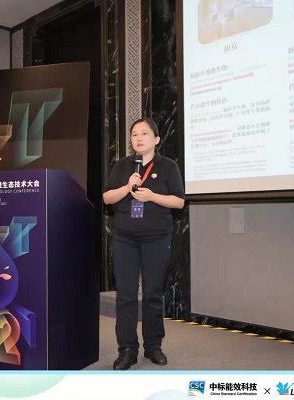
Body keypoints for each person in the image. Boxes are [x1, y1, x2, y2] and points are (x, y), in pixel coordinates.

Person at [103, 117, 185, 370]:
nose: (138, 138)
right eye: (134, 134)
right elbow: (107, 197)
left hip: (156, 237)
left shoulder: (168, 166)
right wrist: (127, 187)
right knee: (126, 295)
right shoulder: (122, 166)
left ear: (156, 139)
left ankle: (153, 346)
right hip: (124, 237)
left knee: (152, 294)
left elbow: (179, 201)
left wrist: (152, 196)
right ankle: (127, 349)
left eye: (144, 133)